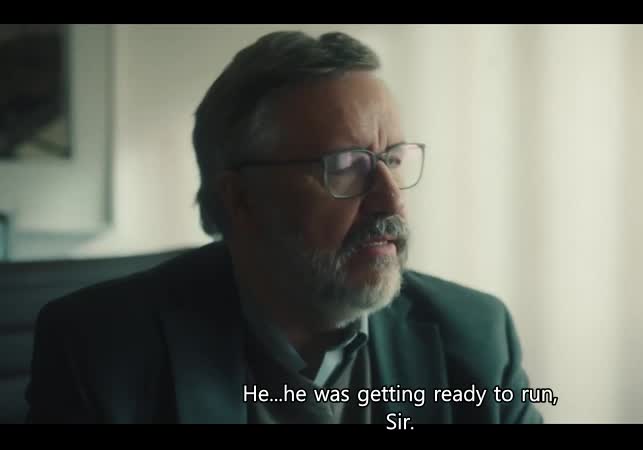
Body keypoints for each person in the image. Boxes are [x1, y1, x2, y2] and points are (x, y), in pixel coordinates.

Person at [24, 30, 543, 425]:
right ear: (241, 198)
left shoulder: (475, 337)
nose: (392, 201)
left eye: (392, 159)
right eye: (347, 166)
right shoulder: (99, 350)